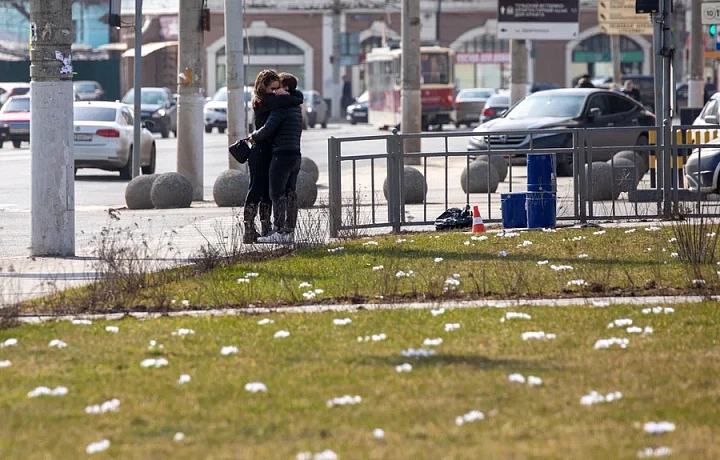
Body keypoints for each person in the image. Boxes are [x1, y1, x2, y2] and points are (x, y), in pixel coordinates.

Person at [242, 69, 303, 244]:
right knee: (256, 190)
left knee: (270, 194)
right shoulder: (264, 102)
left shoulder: (277, 101)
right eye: (272, 88)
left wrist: (292, 95)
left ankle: (267, 229)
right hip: (260, 152)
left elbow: (292, 98)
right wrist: (293, 96)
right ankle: (249, 229)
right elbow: (293, 99)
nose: (275, 91)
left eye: (278, 88)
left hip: (274, 152)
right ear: (263, 87)